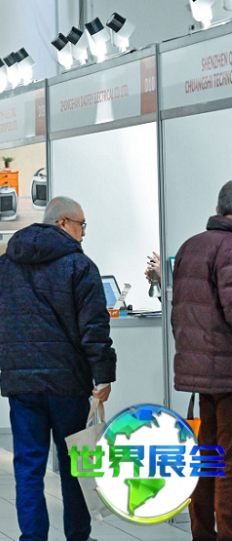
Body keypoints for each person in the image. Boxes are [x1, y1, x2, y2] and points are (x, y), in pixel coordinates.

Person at [0, 197, 116, 541]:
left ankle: (32, 537)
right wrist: (103, 375)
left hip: (22, 387)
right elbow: (94, 328)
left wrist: (14, 357)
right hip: (67, 383)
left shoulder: (5, 265)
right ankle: (78, 536)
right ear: (63, 222)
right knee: (75, 463)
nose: (83, 233)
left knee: (28, 466)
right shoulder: (79, 265)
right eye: (81, 225)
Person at [171, 181, 232, 540]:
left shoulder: (190, 246)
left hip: (199, 371)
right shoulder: (229, 248)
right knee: (228, 460)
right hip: (227, 372)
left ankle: (203, 533)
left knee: (206, 456)